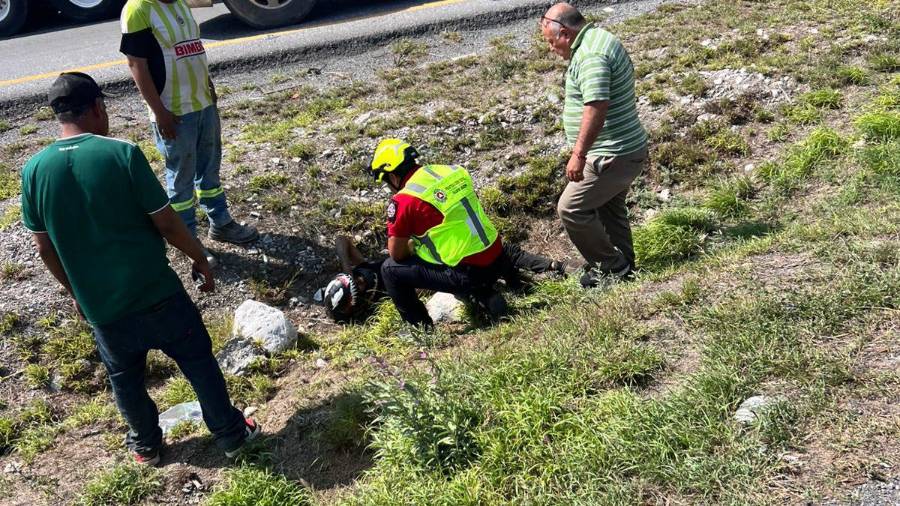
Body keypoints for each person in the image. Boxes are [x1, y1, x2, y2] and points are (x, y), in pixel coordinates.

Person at [20, 72, 260, 466]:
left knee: (125, 379)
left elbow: (44, 249)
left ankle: (146, 447)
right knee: (197, 359)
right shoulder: (120, 154)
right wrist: (199, 257)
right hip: (155, 292)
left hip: (103, 308)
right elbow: (166, 223)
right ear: (98, 107)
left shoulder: (33, 170)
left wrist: (75, 292)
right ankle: (231, 435)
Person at [120, 0, 258, 265]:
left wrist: (209, 87)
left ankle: (220, 222)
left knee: (209, 167)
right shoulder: (138, 9)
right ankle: (189, 240)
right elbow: (137, 65)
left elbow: (193, 51)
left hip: (202, 103)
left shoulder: (181, 4)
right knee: (181, 177)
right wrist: (160, 113)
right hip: (174, 112)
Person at [540, 3, 649, 287]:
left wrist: (579, 154)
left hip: (613, 153)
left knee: (571, 209)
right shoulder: (597, 38)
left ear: (564, 33)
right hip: (622, 150)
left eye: (551, 42)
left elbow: (596, 107)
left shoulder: (591, 55)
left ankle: (612, 268)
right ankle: (625, 268)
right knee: (609, 209)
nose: (551, 49)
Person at [366, 139, 520, 327]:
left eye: (385, 181)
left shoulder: (404, 200)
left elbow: (396, 254)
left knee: (389, 270)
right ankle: (492, 292)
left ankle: (421, 329)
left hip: (467, 272)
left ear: (393, 176)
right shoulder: (453, 171)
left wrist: (413, 246)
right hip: (498, 256)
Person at [318, 236, 564, 322]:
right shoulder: (380, 294)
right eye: (358, 281)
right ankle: (506, 290)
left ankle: (548, 271)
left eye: (358, 278)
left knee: (502, 258)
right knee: (497, 262)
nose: (361, 278)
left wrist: (349, 268)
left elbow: (342, 241)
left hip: (438, 259)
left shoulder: (364, 270)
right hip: (436, 270)